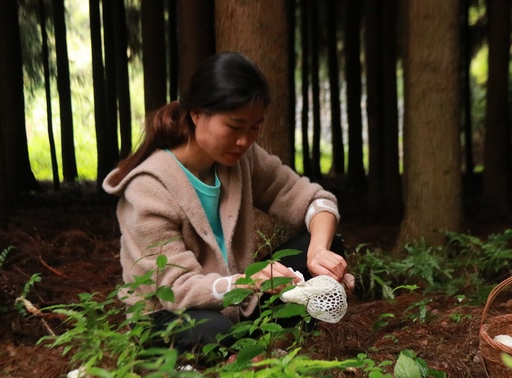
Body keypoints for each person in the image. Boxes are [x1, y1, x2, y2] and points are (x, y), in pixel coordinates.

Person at [103, 51, 353, 356]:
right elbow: (177, 289)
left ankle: (262, 347)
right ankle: (260, 347)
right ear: (196, 113)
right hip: (169, 315)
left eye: (254, 127)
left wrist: (317, 254)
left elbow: (315, 200)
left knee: (328, 246)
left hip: (239, 304)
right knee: (214, 330)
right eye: (234, 126)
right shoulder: (149, 189)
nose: (244, 140)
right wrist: (249, 283)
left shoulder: (242, 160)